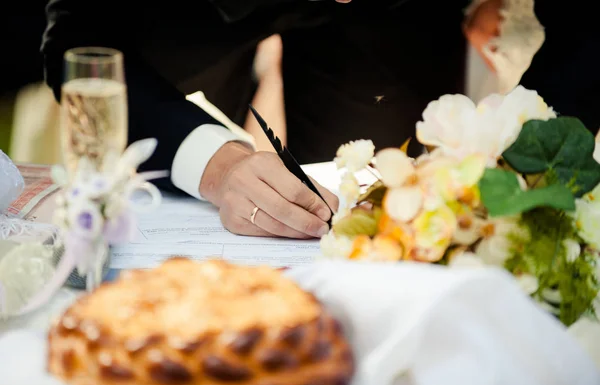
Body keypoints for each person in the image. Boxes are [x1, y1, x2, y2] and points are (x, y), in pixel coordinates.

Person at [42, 0, 599, 240]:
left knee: (376, 210)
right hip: (186, 16)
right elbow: (83, 39)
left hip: (392, 18)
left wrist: (525, 169)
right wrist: (213, 162)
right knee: (233, 204)